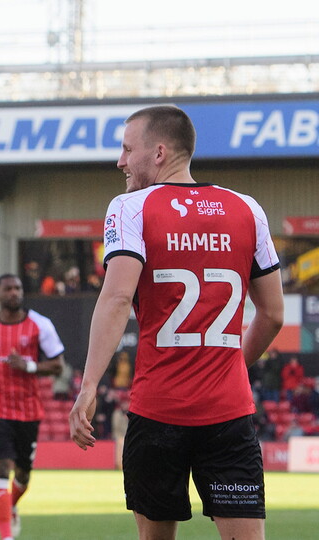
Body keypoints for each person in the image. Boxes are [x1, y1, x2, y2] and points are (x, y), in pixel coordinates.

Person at [69, 105, 284, 540]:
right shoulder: (248, 209)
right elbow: (274, 314)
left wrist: (89, 385)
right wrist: (229, 367)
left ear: (159, 152)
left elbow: (116, 297)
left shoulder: (130, 207)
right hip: (229, 415)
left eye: (128, 149)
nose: (120, 161)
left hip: (158, 411)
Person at [0, 274, 65, 540]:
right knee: (0, 468)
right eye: (8, 289)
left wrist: (29, 366)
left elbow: (58, 365)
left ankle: (10, 505)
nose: (14, 293)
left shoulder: (40, 325)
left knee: (23, 474)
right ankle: (6, 536)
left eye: (18, 288)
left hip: (28, 409)